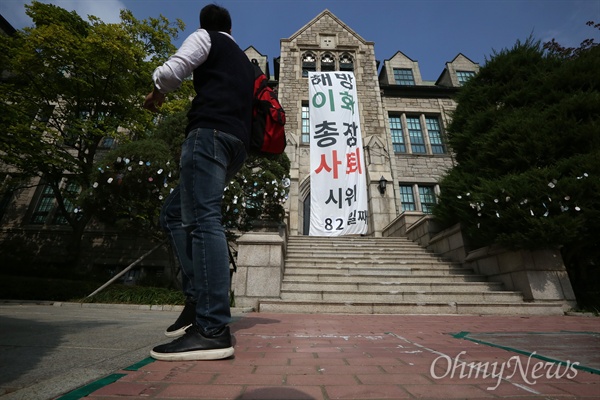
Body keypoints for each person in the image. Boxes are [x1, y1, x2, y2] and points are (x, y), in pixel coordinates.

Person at [143, 3, 254, 361]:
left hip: (208, 135)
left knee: (204, 221)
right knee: (175, 215)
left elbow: (172, 72)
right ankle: (197, 300)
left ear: (206, 25)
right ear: (232, 29)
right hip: (236, 146)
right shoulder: (243, 60)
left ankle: (211, 328)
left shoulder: (206, 38)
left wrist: (157, 90)